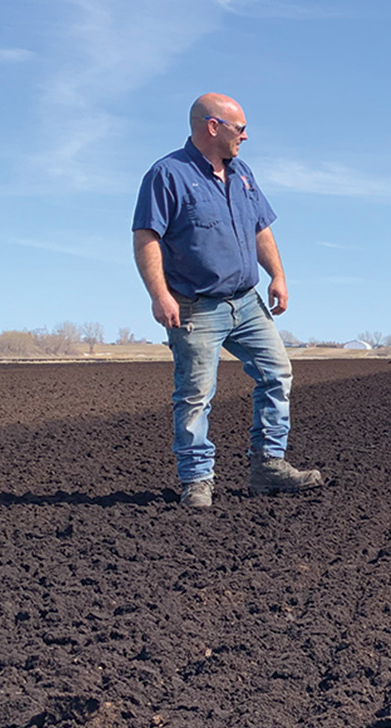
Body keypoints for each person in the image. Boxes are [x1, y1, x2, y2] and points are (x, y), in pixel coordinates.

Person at [132, 93, 323, 508]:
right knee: (196, 394)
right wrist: (159, 294)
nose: (246, 136)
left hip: (247, 301)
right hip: (196, 305)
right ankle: (197, 481)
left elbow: (260, 229)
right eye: (240, 128)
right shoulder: (168, 175)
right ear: (212, 126)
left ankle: (268, 465)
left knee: (277, 374)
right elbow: (146, 237)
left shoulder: (242, 174)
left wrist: (278, 275)